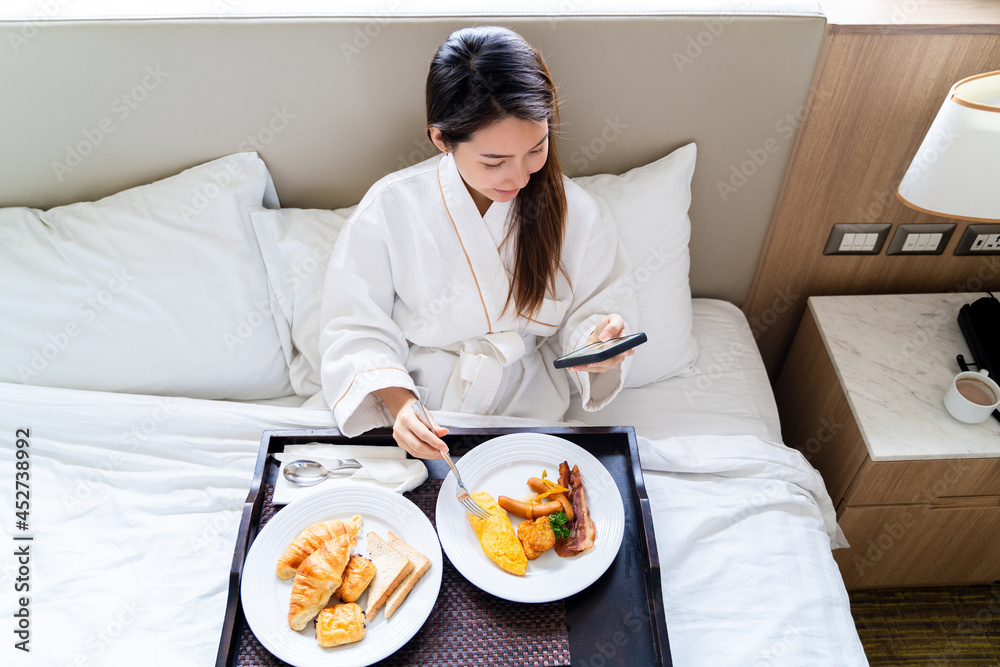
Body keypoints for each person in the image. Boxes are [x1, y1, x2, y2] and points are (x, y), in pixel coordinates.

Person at [319, 26, 638, 459]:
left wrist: (597, 345)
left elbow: (594, 314)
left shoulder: (578, 213)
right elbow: (354, 326)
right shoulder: (391, 207)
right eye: (494, 161)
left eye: (536, 149)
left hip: (529, 409)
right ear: (441, 139)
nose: (520, 177)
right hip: (424, 404)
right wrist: (400, 404)